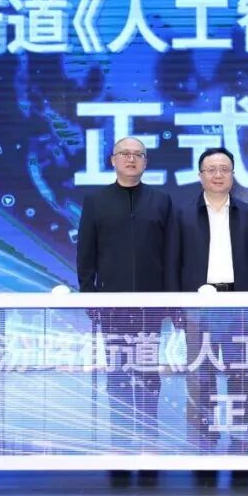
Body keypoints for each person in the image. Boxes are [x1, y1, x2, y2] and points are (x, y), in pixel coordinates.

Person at [76, 136, 173, 451]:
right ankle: (119, 444)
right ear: (113, 160)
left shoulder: (161, 201)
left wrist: (172, 300)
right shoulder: (96, 201)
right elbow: (86, 254)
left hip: (151, 306)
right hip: (112, 306)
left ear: (146, 162)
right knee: (117, 374)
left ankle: (148, 441)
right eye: (125, 154)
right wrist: (90, 298)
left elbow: (170, 253)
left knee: (148, 373)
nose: (131, 159)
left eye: (138, 155)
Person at [166, 147, 248, 453]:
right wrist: (177, 309)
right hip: (198, 309)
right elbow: (172, 263)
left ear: (233, 175)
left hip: (238, 307)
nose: (218, 175)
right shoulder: (182, 213)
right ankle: (203, 441)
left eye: (224, 169)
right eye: (211, 169)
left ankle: (242, 440)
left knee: (240, 376)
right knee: (200, 377)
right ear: (200, 176)